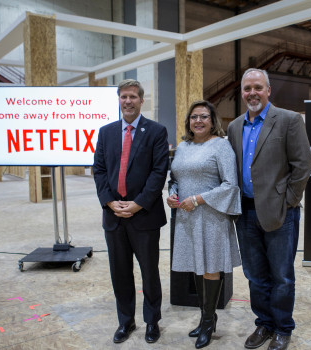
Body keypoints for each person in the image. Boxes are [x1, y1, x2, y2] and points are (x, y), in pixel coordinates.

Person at [227, 68, 311, 350]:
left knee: (282, 276)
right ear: (242, 93)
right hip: (246, 213)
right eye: (247, 88)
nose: (252, 93)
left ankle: (283, 328)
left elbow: (302, 166)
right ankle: (264, 324)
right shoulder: (234, 127)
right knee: (254, 275)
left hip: (280, 213)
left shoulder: (288, 120)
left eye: (257, 87)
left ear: (268, 90)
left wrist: (288, 200)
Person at [93, 79, 169, 344]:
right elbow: (99, 170)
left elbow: (159, 172)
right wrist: (109, 202)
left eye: (133, 97)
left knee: (149, 272)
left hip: (144, 216)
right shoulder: (106, 132)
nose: (128, 101)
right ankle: (126, 321)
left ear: (141, 100)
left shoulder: (156, 132)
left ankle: (152, 321)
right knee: (120, 273)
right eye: (124, 97)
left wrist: (138, 203)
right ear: (119, 99)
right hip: (114, 216)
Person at [167, 100, 241, 349]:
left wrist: (198, 199)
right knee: (196, 268)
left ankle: (208, 323)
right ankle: (206, 317)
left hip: (211, 217)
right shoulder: (183, 146)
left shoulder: (221, 146)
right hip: (187, 217)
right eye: (194, 116)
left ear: (213, 121)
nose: (198, 121)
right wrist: (173, 193)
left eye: (204, 117)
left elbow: (230, 184)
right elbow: (175, 177)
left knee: (210, 267)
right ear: (188, 121)